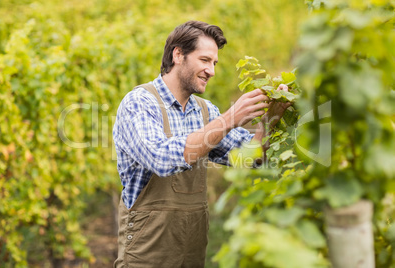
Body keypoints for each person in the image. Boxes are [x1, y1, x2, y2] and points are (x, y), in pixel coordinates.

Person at [112, 20, 290, 268]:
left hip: (192, 252)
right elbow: (161, 159)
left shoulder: (206, 111)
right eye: (205, 60)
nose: (212, 71)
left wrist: (271, 119)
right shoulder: (140, 103)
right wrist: (230, 118)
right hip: (147, 254)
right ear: (178, 55)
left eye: (214, 63)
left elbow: (249, 157)